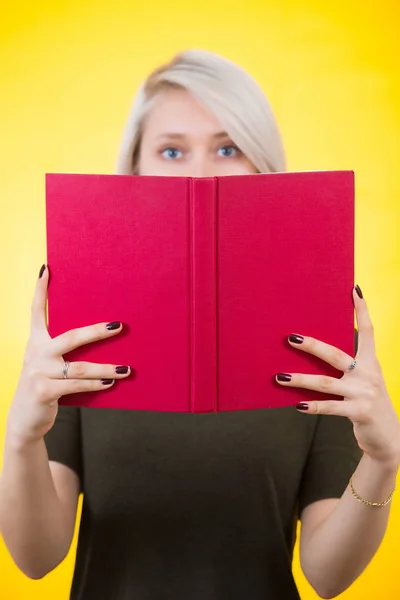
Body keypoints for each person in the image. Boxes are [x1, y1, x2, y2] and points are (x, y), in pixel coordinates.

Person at [0, 49, 399, 600]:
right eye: (171, 149)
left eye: (228, 147)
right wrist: (21, 435)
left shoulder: (322, 339)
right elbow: (36, 557)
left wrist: (383, 461)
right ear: (134, 169)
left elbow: (327, 577)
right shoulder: (82, 329)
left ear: (263, 165)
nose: (200, 173)